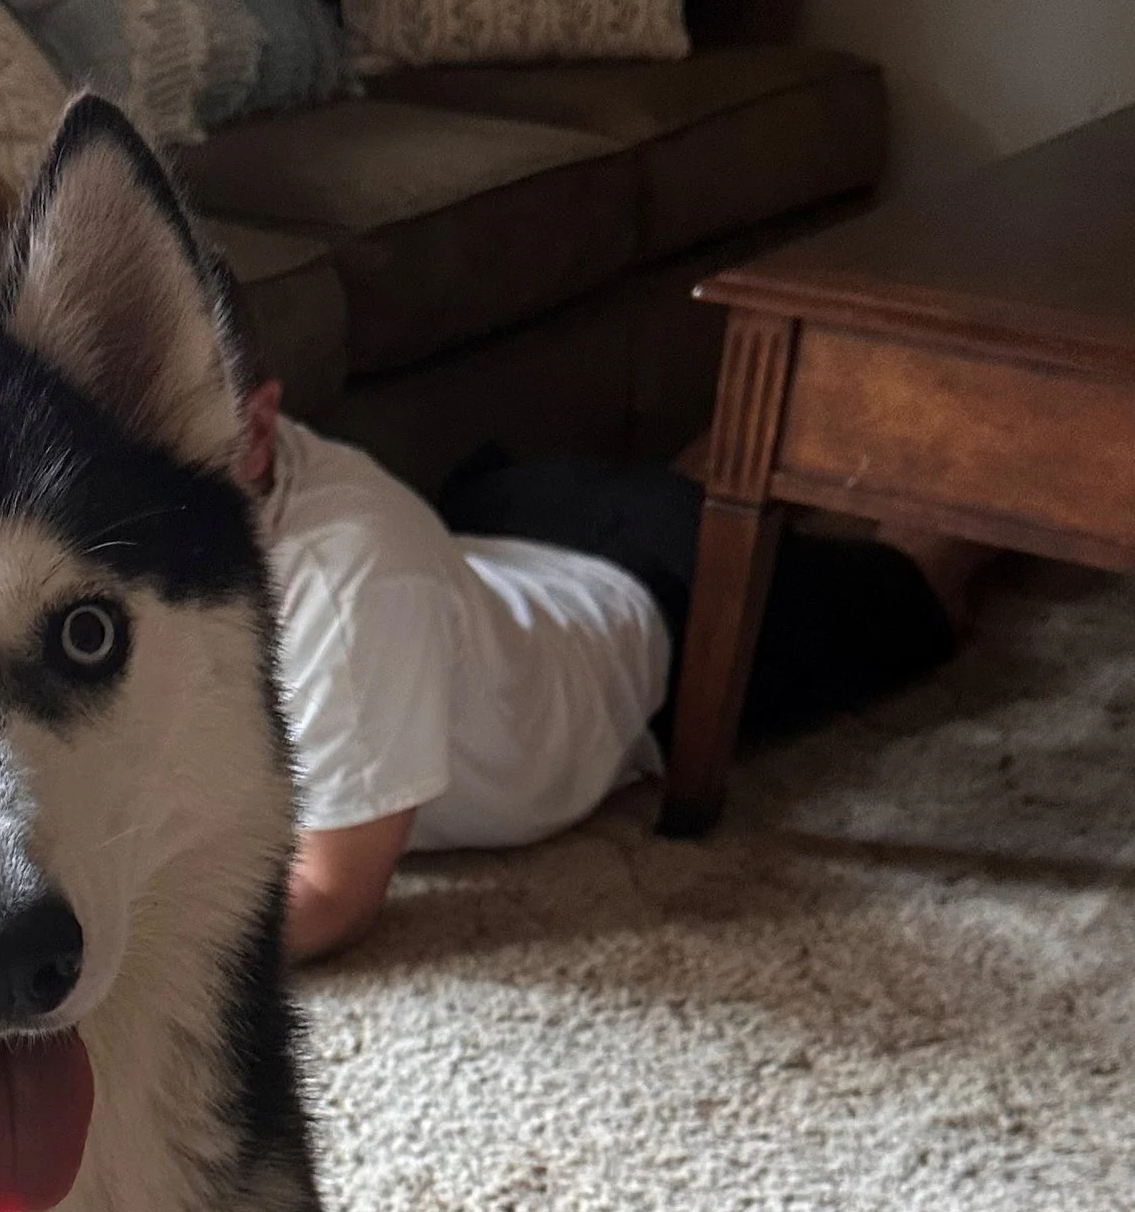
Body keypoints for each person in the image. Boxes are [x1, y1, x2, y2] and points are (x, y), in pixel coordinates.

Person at [241, 379, 980, 960]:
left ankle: (986, 416)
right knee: (693, 497)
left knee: (914, 591)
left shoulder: (345, 595)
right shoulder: (210, 471)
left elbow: (328, 893)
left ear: (259, 426)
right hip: (516, 526)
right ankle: (763, 454)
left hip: (664, 610)